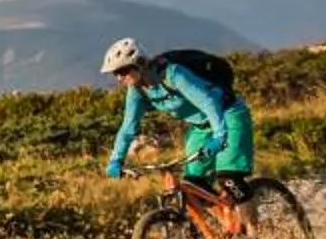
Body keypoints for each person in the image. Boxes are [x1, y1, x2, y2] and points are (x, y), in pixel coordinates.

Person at [100, 37, 254, 195]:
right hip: (200, 128)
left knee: (229, 179)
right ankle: (224, 216)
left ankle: (254, 220)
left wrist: (220, 135)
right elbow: (128, 127)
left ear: (139, 63)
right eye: (115, 74)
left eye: (123, 71)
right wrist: (116, 160)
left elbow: (208, 102)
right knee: (193, 185)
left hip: (227, 116)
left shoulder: (174, 74)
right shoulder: (137, 91)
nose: (119, 78)